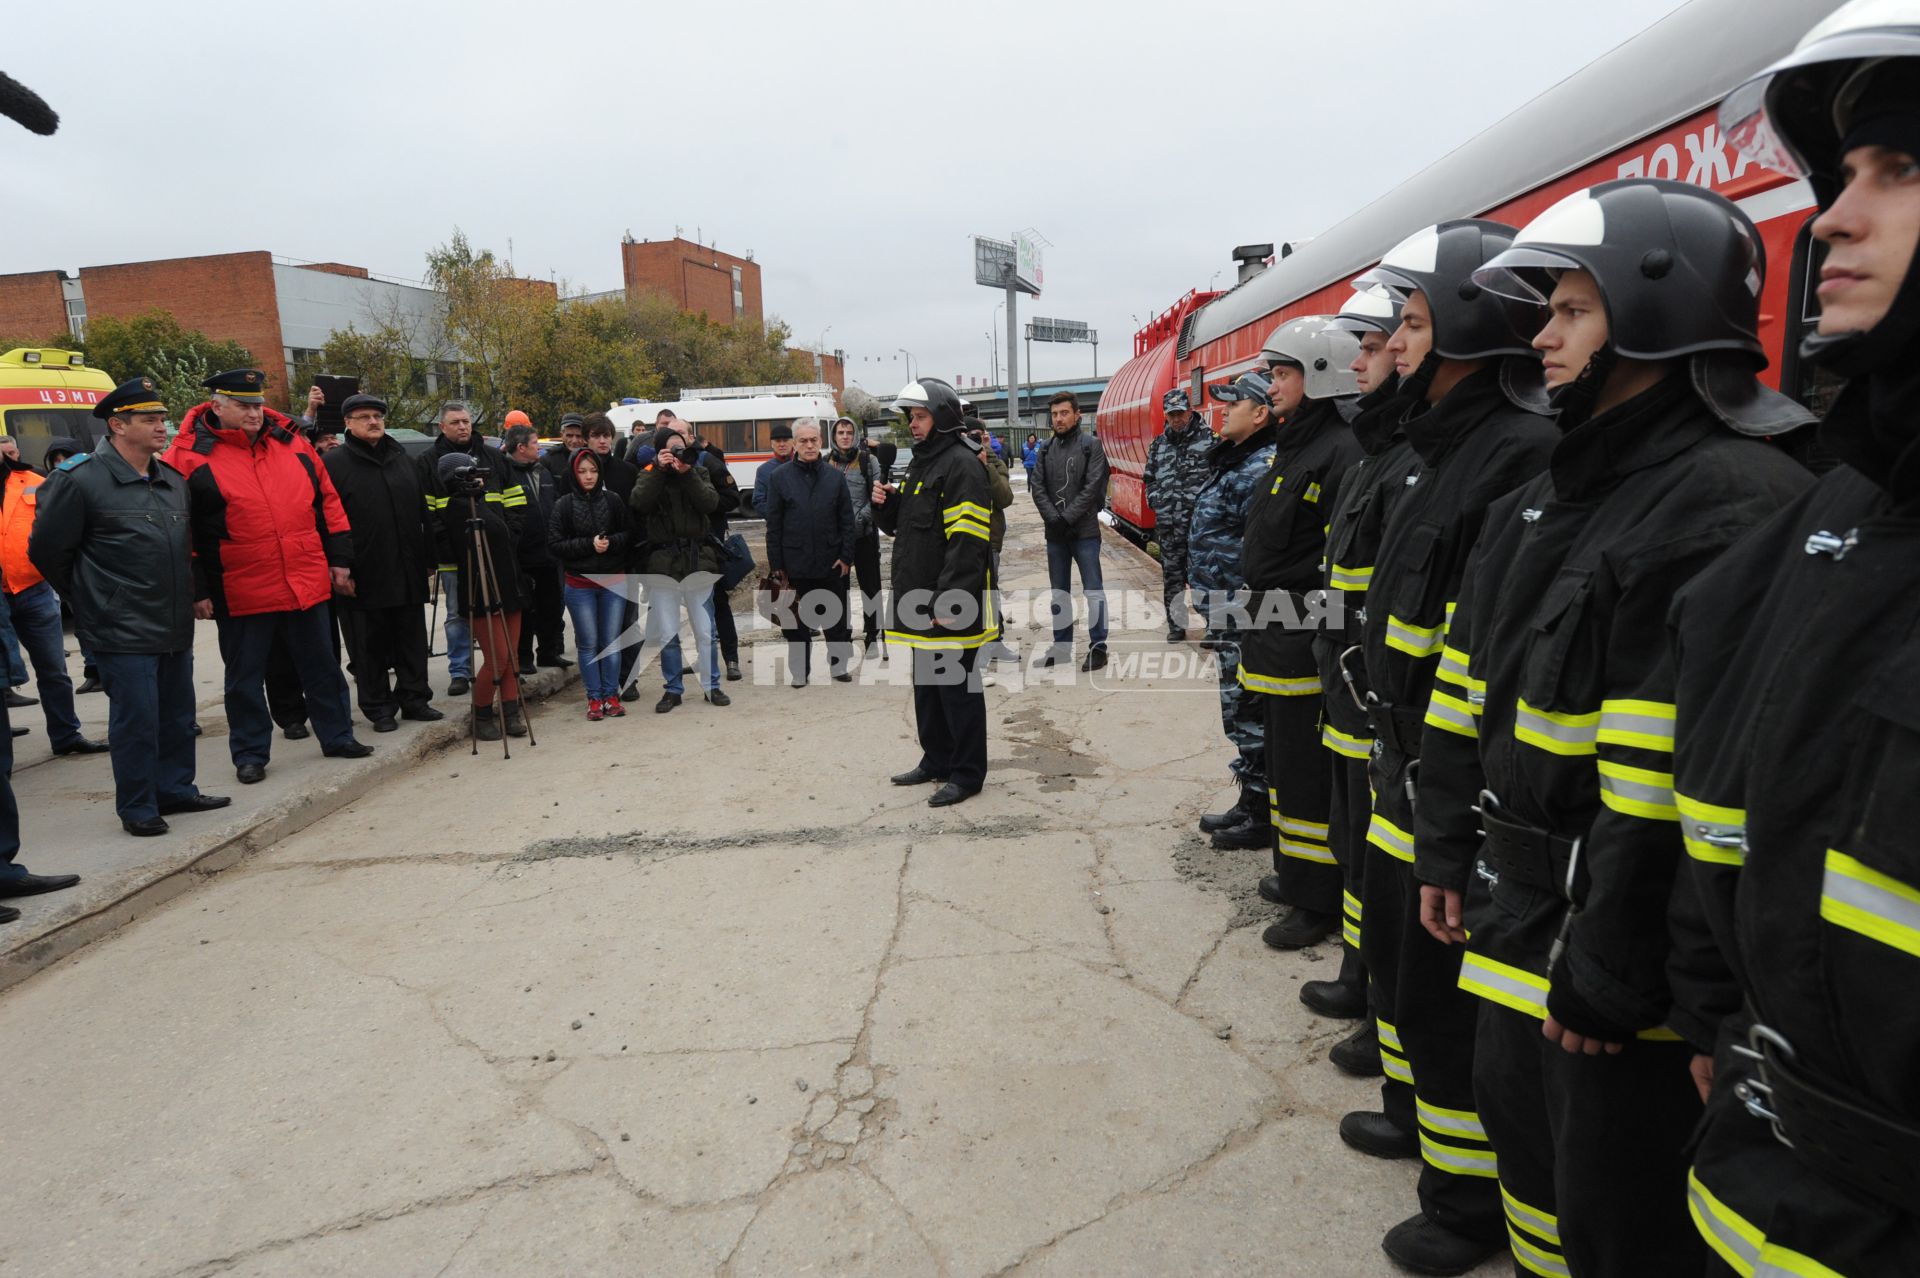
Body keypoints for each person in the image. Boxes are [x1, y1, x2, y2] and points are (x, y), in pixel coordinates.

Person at [1406, 179, 1815, 1278]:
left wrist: (1616, 974)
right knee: (1535, 1171)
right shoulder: (1553, 492)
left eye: (1570, 311)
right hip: (1519, 914)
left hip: (1606, 963)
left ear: (1657, 314)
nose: (1539, 336)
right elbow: (1466, 692)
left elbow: (1675, 783)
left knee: (1614, 1211)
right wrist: (1446, 843)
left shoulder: (1730, 499)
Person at [1664, 10, 1920, 1272]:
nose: (1830, 218)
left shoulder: (1772, 497)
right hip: (1768, 1176)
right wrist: (1715, 1006)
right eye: (1847, 173)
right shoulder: (1844, 510)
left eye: (1902, 171)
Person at [1338, 221, 1560, 1275]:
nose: (1397, 345)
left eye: (1416, 323)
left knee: (1444, 998)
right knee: (1403, 976)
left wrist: (1448, 819)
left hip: (1446, 788)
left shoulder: (1512, 454)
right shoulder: (1444, 450)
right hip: (1407, 772)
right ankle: (1440, 1155)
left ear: (1472, 323)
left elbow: (1482, 667)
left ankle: (1466, 1203)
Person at [28, 376, 229, 836]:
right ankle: (138, 805)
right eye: (150, 419)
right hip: (120, 625)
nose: (162, 427)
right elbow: (47, 551)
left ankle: (176, 789)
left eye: (162, 418)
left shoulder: (171, 481)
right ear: (118, 425)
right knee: (136, 721)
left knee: (177, 715)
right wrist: (93, 599)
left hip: (171, 618)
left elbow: (184, 547)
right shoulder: (79, 481)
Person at [161, 370, 373, 784]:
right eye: (242, 405)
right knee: (244, 679)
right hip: (240, 587)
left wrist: (339, 558)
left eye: (257, 403)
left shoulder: (292, 443)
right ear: (217, 406)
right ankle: (250, 753)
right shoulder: (186, 456)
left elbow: (327, 502)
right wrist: (198, 587)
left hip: (304, 577)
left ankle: (337, 736)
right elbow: (181, 530)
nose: (254, 412)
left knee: (322, 668)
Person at [1306, 289, 1413, 1072]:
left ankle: (1380, 1003)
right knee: (1354, 847)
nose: (1362, 360)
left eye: (1379, 342)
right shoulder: (1379, 453)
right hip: (1351, 693)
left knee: (1381, 861)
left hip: (1379, 703)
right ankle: (1358, 975)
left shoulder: (1405, 460)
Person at [1238, 317, 1365, 953]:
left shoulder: (1339, 452)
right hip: (1274, 639)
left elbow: (1334, 567)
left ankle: (1317, 900)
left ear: (1318, 378)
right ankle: (1295, 872)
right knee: (1286, 768)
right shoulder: (1297, 446)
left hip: (1304, 645)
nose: (1271, 383)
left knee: (1309, 775)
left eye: (1282, 372)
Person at [874, 379, 997, 807]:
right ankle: (937, 759)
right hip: (918, 599)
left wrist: (951, 601)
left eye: (920, 416)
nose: (913, 424)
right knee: (927, 685)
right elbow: (905, 528)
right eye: (910, 417)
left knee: (956, 690)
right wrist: (886, 504)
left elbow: (968, 541)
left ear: (942, 417)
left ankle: (967, 774)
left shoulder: (962, 465)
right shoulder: (922, 463)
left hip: (947, 602)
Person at [1187, 372, 1282, 852]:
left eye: (1233, 402)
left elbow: (1262, 547)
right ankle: (1251, 798)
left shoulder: (1261, 466)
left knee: (1249, 709)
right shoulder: (1239, 458)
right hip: (1225, 610)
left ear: (1261, 412)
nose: (1221, 409)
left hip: (1243, 611)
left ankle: (1263, 813)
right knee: (1238, 709)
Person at [322, 394, 443, 733]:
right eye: (363, 417)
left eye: (377, 415)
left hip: (407, 567)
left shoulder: (402, 458)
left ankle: (415, 699)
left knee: (411, 640)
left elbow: (422, 511)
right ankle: (379, 707)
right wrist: (338, 564)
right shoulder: (335, 464)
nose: (373, 422)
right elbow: (327, 520)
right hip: (363, 571)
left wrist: (429, 558)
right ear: (348, 423)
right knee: (368, 645)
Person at [0, 430, 107, 755]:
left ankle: (66, 736)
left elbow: (58, 529)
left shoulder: (33, 480)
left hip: (34, 588)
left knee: (54, 670)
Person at [432, 433, 529, 742]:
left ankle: (511, 712)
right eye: (471, 473)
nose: (480, 478)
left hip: (508, 588)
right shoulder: (459, 511)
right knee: (497, 659)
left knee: (511, 656)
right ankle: (482, 713)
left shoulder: (483, 503)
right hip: (480, 592)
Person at [421, 402, 520, 698]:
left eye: (466, 421)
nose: (463, 427)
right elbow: (428, 513)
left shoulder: (491, 456)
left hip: (497, 555)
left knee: (501, 613)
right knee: (457, 616)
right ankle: (461, 671)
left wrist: (509, 537)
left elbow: (514, 499)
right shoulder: (428, 462)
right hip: (456, 557)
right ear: (442, 426)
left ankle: (502, 669)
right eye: (455, 422)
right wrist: (447, 546)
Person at [632, 425, 728, 712]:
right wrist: (659, 471)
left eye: (680, 446)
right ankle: (673, 689)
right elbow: (639, 503)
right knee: (668, 633)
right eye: (670, 448)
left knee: (705, 630)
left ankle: (712, 686)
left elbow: (710, 503)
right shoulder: (649, 474)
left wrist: (686, 473)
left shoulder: (698, 472)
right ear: (659, 450)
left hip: (698, 561)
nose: (676, 452)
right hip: (663, 564)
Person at [765, 419, 855, 686]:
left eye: (813, 440)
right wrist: (777, 566)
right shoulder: (779, 478)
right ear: (794, 444)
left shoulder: (835, 477)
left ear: (821, 441)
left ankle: (838, 667)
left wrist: (846, 557)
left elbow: (847, 521)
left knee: (835, 618)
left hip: (830, 562)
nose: (809, 445)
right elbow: (774, 526)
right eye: (803, 440)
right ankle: (799, 672)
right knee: (794, 623)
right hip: (793, 564)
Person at [548, 450, 632, 719]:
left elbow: (629, 534)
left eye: (593, 471)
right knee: (588, 643)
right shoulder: (563, 505)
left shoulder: (614, 500)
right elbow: (555, 544)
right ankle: (594, 698)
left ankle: (611, 695)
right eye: (583, 471)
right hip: (579, 583)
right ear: (574, 472)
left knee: (610, 641)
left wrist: (611, 543)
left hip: (613, 581)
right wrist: (588, 545)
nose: (588, 476)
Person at [1031, 392, 1110, 670]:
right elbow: (1037, 487)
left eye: (1064, 413)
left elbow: (1091, 488)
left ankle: (1099, 647)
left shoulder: (1092, 446)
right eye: (1054, 414)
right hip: (1056, 535)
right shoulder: (1044, 449)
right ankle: (1061, 647)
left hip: (1085, 533)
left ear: (1077, 414)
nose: (1059, 419)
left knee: (1094, 591)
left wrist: (1067, 519)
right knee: (1059, 593)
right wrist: (1055, 520)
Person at [1142, 388, 1213, 643]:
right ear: (1166, 415)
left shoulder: (1210, 440)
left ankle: (1212, 627)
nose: (1177, 419)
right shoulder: (1159, 445)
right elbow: (1149, 479)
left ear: (1190, 411)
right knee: (1172, 579)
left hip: (1200, 528)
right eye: (1172, 415)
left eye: (1180, 413)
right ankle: (1177, 626)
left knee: (1203, 579)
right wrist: (1156, 502)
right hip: (1169, 526)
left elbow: (1219, 478)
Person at [500, 421, 569, 676]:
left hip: (549, 553)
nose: (538, 448)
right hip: (522, 555)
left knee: (551, 606)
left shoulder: (544, 471)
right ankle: (524, 657)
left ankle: (549, 653)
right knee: (525, 610)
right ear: (520, 447)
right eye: (535, 444)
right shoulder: (504, 473)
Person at [827, 416, 885, 656]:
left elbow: (877, 496)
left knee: (870, 588)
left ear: (855, 435)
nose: (845, 436)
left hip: (864, 535)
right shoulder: (825, 463)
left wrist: (858, 520)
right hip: (836, 540)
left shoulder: (868, 461)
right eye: (840, 432)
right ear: (833, 436)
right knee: (838, 591)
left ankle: (872, 636)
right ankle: (842, 638)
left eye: (849, 432)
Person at [582, 413, 639, 502]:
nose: (602, 441)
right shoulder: (573, 473)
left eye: (606, 435)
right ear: (585, 439)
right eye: (596, 436)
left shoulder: (629, 470)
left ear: (612, 437)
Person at [752, 421, 796, 515]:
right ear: (772, 444)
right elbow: (758, 501)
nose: (782, 444)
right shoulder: (763, 470)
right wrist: (775, 517)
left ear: (793, 442)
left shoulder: (803, 464)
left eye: (785, 440)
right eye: (778, 441)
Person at [541, 412, 586, 486]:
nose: (574, 441)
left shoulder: (592, 458)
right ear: (562, 435)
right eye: (569, 435)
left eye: (578, 436)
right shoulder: (548, 460)